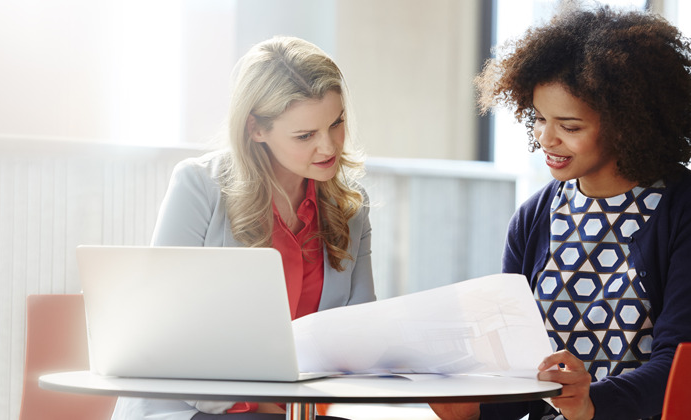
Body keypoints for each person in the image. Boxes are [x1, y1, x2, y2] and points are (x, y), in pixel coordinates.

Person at [431, 4, 691, 420]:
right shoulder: (535, 217)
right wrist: (471, 406)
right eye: (538, 119)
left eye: (570, 127)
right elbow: (522, 379)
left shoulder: (680, 210)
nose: (546, 139)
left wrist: (591, 404)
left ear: (628, 124)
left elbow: (681, 367)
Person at [110, 36, 375, 420]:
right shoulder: (198, 187)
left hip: (297, 413)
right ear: (256, 129)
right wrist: (260, 404)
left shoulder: (350, 207)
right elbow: (160, 331)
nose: (329, 147)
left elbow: (362, 333)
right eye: (305, 136)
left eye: (336, 124)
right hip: (189, 409)